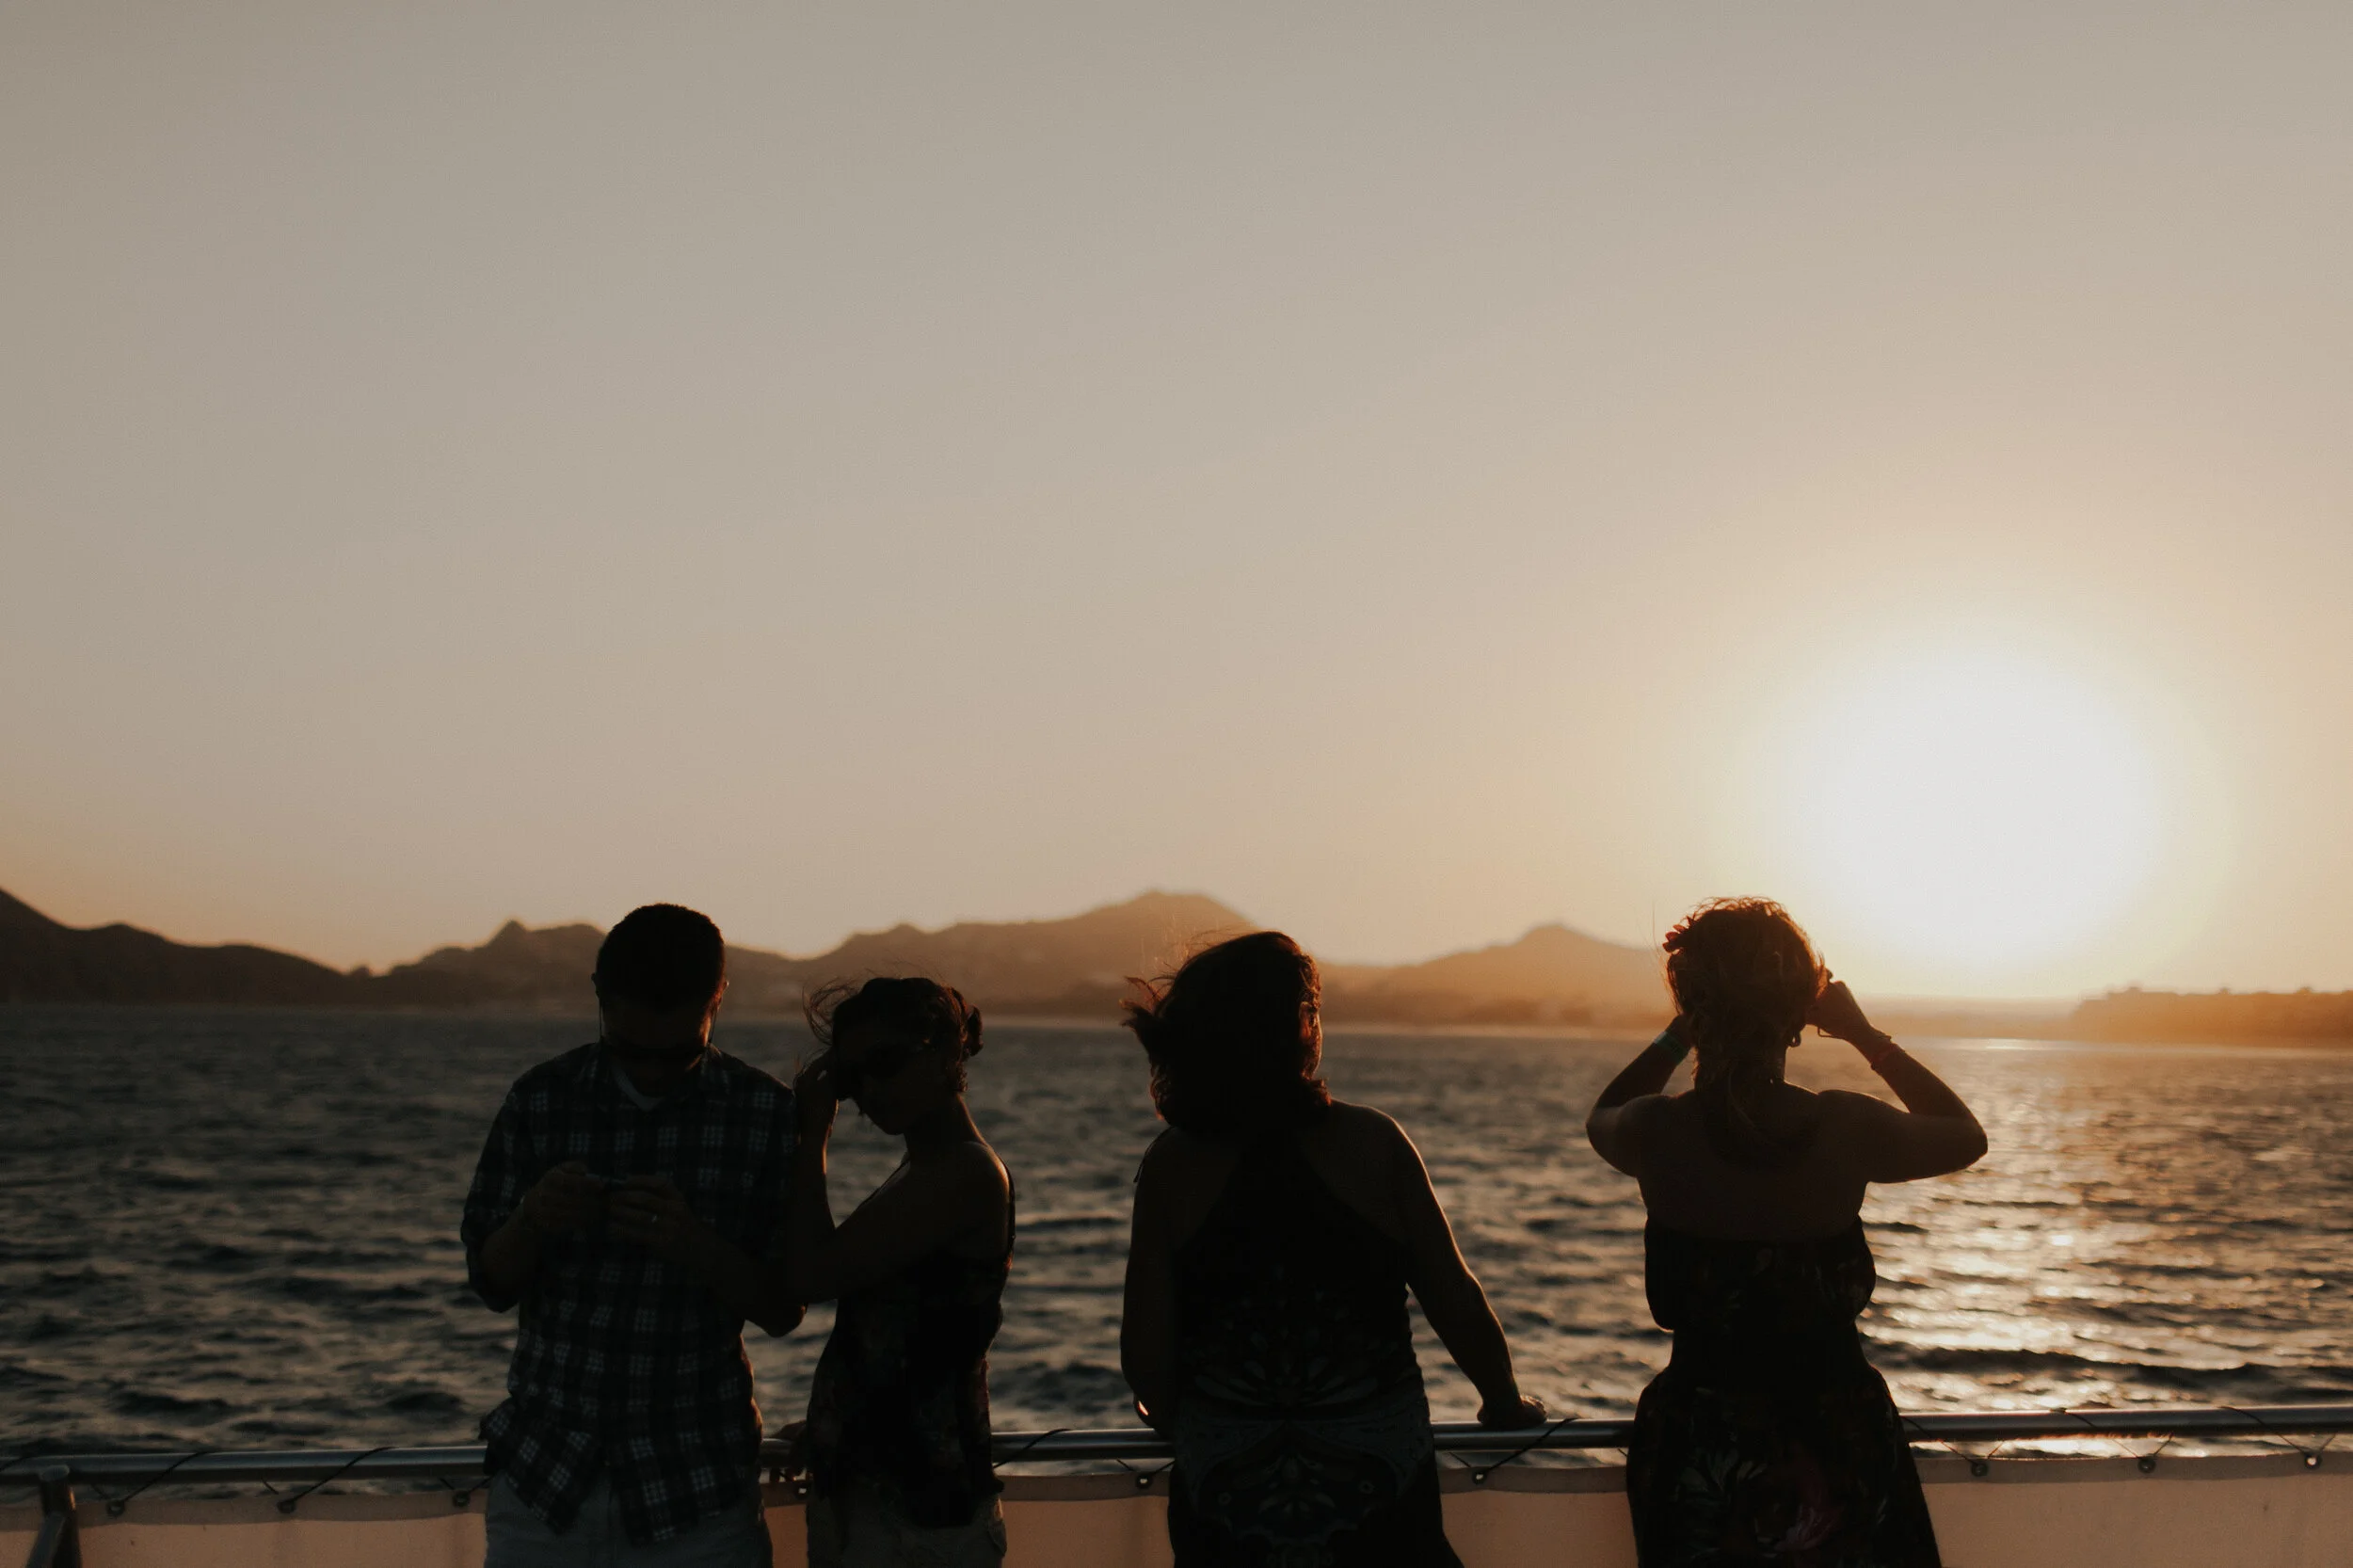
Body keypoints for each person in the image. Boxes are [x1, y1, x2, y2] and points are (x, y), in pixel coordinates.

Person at [1120, 931, 1547, 1568]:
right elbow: (1452, 1296)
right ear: (1301, 1026)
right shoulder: (1374, 1143)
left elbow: (1146, 1354)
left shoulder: (1172, 1166)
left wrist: (1185, 1414)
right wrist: (1505, 1401)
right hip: (1377, 1496)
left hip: (1231, 1503)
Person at [1585, 899, 1988, 1568]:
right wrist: (1864, 1035)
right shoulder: (1844, 1129)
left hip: (1702, 1441)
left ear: (1695, 1003)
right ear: (1801, 1010)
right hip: (1835, 1434)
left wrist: (1677, 1034)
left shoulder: (1657, 1132)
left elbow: (1603, 1112)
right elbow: (1965, 1136)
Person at [461, 904, 800, 1568]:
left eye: (674, 1053)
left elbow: (784, 1307)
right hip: (543, 1490)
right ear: (599, 995)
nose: (649, 1071)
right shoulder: (541, 1099)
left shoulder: (763, 1115)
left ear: (717, 1000)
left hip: (698, 1498)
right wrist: (531, 1219)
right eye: (630, 1049)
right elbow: (490, 1282)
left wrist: (693, 1244)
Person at [785, 978, 1015, 1568]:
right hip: (887, 1501)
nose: (869, 1090)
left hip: (922, 1521)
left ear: (942, 1053)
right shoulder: (923, 1168)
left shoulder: (962, 1174)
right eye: (853, 1076)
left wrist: (813, 1138)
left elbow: (810, 1273)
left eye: (884, 1063)